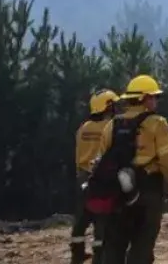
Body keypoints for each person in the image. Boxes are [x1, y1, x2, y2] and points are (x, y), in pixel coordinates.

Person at [100, 74, 168, 264]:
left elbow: (103, 158)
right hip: (149, 191)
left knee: (115, 246)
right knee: (142, 245)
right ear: (144, 99)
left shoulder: (112, 125)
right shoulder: (157, 124)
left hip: (118, 193)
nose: (156, 101)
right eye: (154, 97)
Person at [70, 89, 118, 264]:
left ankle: (77, 255)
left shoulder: (83, 128)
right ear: (107, 107)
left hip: (82, 176)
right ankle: (99, 257)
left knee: (81, 221)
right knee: (101, 221)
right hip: (101, 178)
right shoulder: (110, 127)